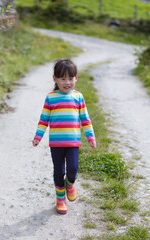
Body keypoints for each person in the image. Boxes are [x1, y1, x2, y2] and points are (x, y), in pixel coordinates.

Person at [32, 58, 96, 214]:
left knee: (73, 168)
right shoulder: (51, 98)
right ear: (55, 79)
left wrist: (91, 137)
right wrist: (38, 136)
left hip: (73, 142)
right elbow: (44, 120)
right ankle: (60, 199)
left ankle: (70, 183)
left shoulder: (78, 97)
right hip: (56, 143)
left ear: (76, 78)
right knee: (58, 171)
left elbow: (85, 120)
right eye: (63, 79)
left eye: (70, 78)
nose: (67, 82)